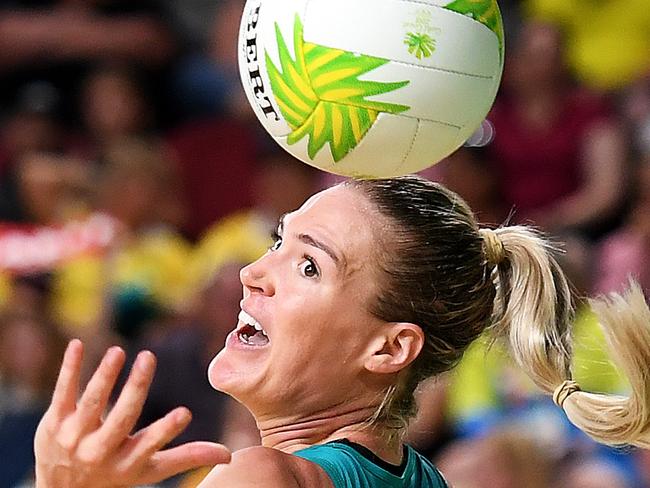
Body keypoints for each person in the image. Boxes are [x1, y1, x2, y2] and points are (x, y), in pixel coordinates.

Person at [33, 176, 650, 487]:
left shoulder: (262, 477)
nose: (252, 272)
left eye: (308, 265)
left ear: (389, 348)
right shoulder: (424, 478)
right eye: (277, 241)